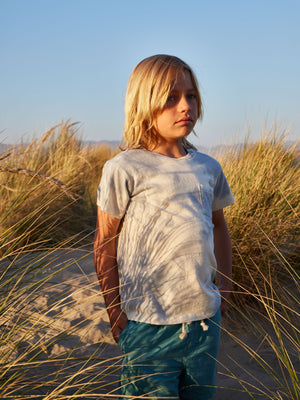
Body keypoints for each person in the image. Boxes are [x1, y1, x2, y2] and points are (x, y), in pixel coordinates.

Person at [94, 54, 234, 400]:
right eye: (171, 97)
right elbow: (104, 241)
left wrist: (226, 290)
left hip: (203, 321)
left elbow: (219, 227)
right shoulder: (125, 167)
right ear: (145, 104)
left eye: (192, 95)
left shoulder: (208, 168)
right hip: (147, 324)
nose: (185, 105)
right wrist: (115, 311)